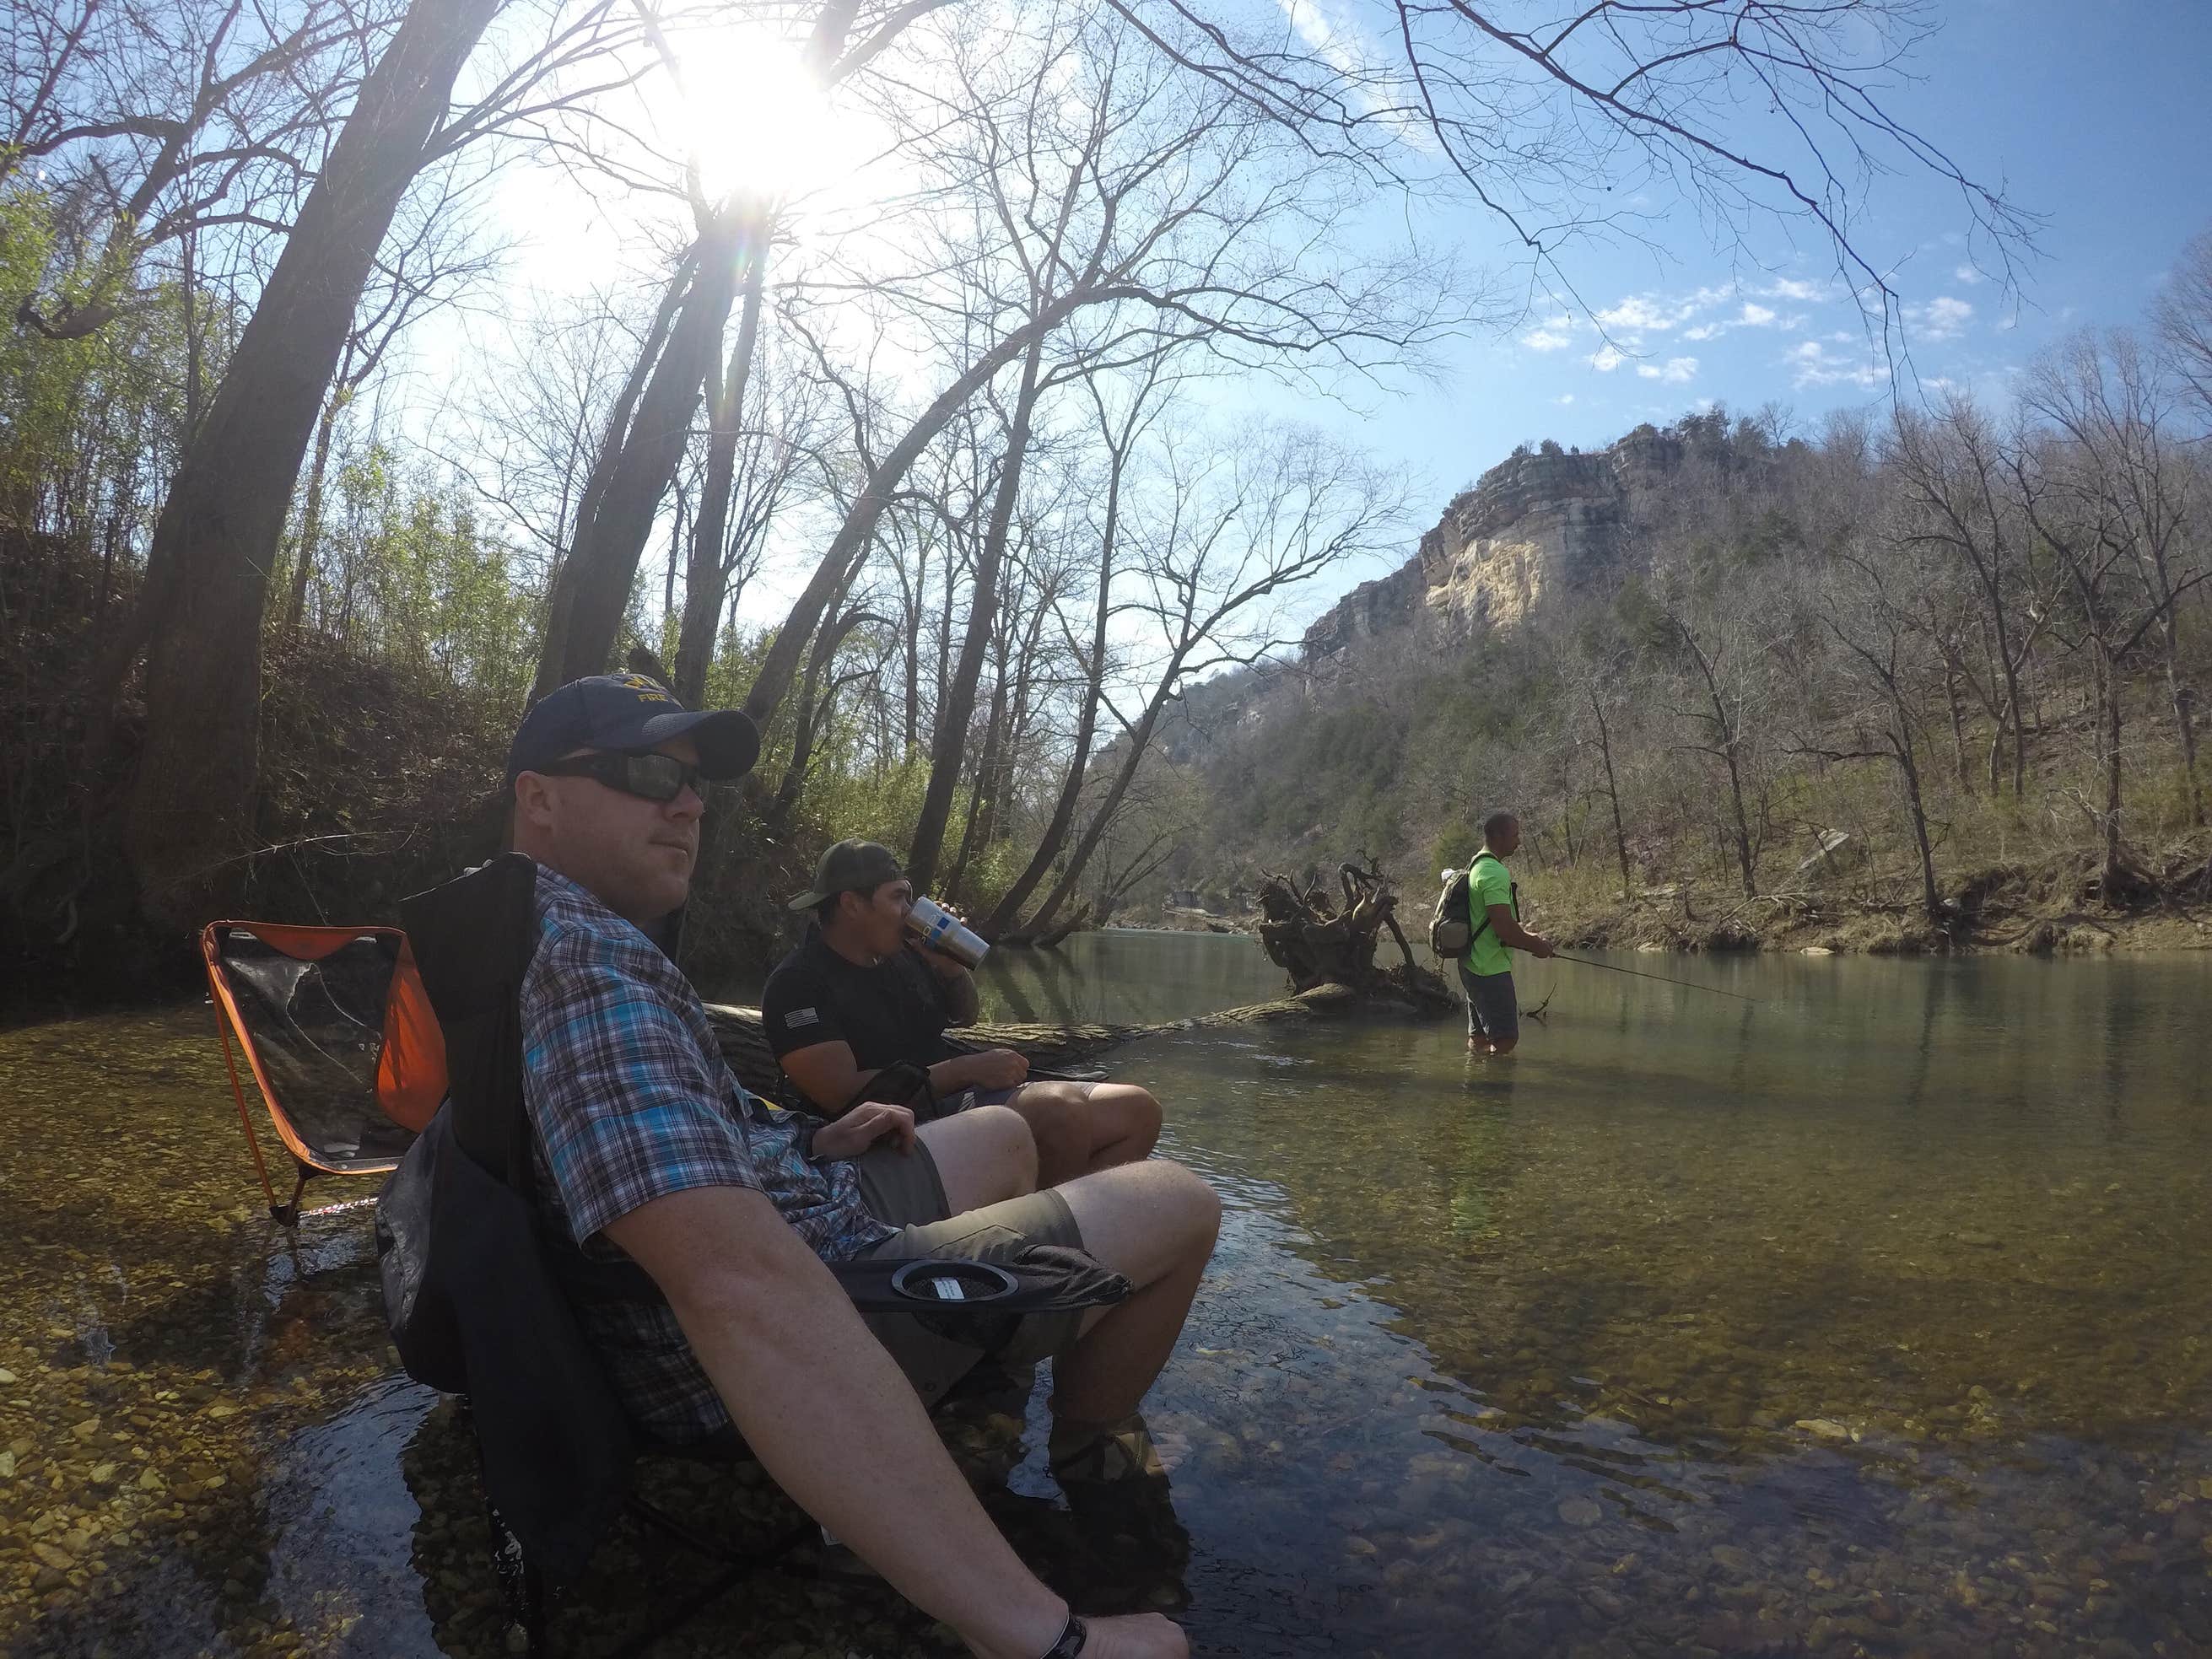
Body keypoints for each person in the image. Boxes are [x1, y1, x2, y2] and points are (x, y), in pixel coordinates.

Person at [504, 673, 1208, 1659]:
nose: (689, 802)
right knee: (1181, 1198)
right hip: (807, 1301)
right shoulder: (590, 971)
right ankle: (1091, 1452)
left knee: (1008, 1134)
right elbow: (740, 1288)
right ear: (538, 797)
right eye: (642, 771)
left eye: (694, 783)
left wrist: (804, 1141)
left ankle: (982, 1380)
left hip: (803, 1198)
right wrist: (1038, 1630)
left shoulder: (529, 929)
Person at [762, 840, 1162, 1186]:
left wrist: (950, 967)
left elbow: (966, 1015)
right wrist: (965, 1070)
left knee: (1138, 1109)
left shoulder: (901, 955)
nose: (910, 909)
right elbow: (840, 1095)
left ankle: (1078, 1226)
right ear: (851, 903)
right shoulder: (798, 983)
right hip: (887, 1133)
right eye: (898, 897)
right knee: (1060, 1110)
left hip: (952, 1099)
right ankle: (1039, 1245)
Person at [1460, 810, 1555, 1056]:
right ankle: (1491, 1092)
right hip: (1489, 969)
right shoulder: (1494, 872)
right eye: (1515, 835)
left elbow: (1492, 921)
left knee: (1479, 1036)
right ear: (1499, 836)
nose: (1519, 840)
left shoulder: (1477, 864)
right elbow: (1503, 929)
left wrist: (1527, 935)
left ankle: (1473, 1085)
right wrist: (1537, 947)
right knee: (1505, 1040)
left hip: (1471, 963)